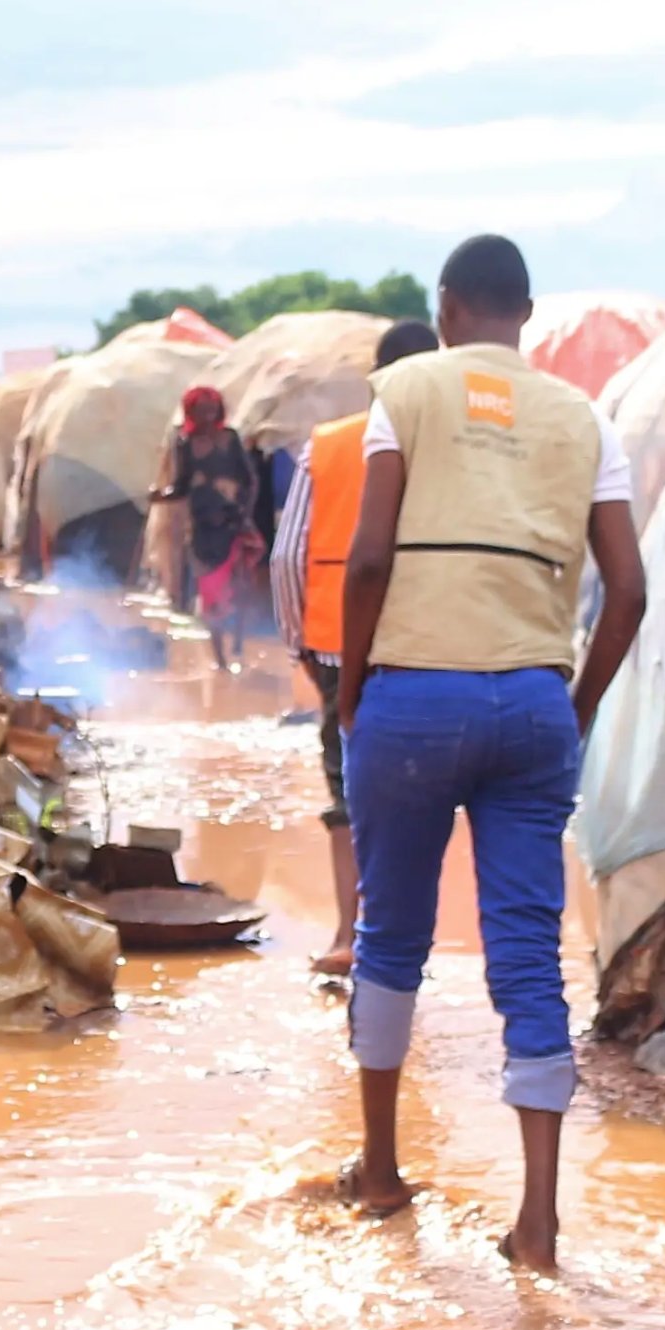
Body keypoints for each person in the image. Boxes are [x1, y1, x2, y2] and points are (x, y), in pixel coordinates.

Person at [331, 235, 648, 1274]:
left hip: (411, 701)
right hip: (531, 704)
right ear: (522, 314)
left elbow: (370, 556)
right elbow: (627, 592)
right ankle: (539, 1226)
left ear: (446, 306)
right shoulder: (583, 417)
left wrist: (349, 693)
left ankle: (379, 1175)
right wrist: (578, 704)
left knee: (391, 937)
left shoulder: (405, 391)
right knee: (525, 954)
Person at [271, 317, 442, 975]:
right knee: (418, 792)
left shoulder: (332, 445)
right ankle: (405, 936)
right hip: (425, 646)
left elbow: (289, 557)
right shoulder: (453, 449)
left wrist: (300, 645)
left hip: (337, 646)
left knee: (349, 791)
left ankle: (350, 934)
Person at [147, 386, 271, 671]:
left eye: (211, 409)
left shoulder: (230, 439)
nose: (207, 415)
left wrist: (243, 511)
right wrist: (160, 495)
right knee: (211, 595)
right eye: (201, 410)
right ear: (191, 412)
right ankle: (221, 660)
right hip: (204, 531)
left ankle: (238, 642)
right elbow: (181, 486)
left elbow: (250, 479)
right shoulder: (185, 443)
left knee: (240, 589)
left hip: (234, 524)